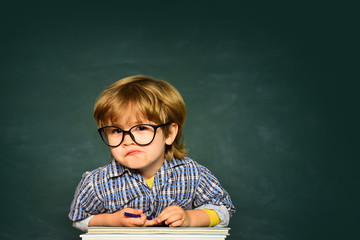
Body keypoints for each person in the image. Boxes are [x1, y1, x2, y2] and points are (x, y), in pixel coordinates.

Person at [68, 75, 235, 231]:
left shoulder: (194, 174)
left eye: (141, 128)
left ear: (169, 133)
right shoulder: (96, 183)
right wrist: (112, 221)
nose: (127, 140)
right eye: (116, 130)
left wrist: (190, 218)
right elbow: (79, 219)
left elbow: (223, 211)